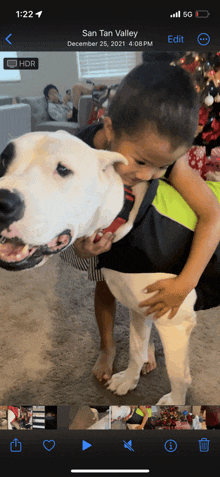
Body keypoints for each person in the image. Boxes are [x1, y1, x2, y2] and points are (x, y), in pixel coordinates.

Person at [61, 61, 220, 384]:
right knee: (105, 282)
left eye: (161, 167)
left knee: (138, 274)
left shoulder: (162, 158)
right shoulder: (79, 157)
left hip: (135, 222)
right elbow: (68, 219)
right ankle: (107, 347)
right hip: (91, 224)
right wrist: (83, 247)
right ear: (109, 129)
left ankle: (142, 343)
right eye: (142, 161)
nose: (147, 175)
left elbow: (212, 214)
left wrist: (184, 284)